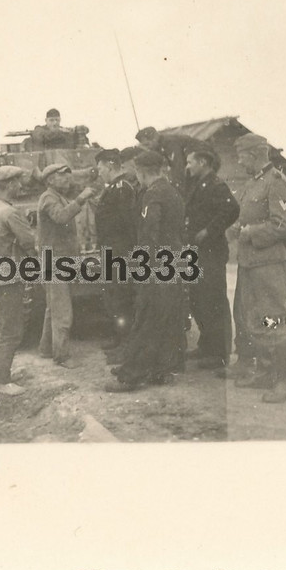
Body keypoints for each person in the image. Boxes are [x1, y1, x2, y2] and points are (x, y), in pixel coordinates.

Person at [106, 151, 186, 392]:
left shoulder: (153, 195)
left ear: (142, 171)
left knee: (146, 319)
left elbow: (150, 233)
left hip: (156, 265)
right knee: (167, 318)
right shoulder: (172, 191)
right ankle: (160, 370)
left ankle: (132, 375)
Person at [230, 133, 286, 402]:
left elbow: (285, 224)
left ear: (256, 154)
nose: (238, 160)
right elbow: (250, 216)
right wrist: (238, 227)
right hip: (251, 263)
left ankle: (285, 382)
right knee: (254, 319)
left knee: (273, 320)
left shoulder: (276, 183)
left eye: (242, 155)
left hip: (269, 265)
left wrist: (250, 233)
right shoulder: (254, 183)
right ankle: (267, 372)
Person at [184, 149, 240, 370]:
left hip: (211, 252)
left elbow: (232, 209)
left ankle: (219, 353)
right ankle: (206, 345)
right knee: (199, 300)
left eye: (190, 162)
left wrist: (209, 231)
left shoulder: (216, 184)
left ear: (203, 162)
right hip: (198, 252)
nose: (187, 167)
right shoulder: (199, 183)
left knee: (213, 301)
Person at [0, 165, 37, 396]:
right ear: (10, 185)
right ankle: (2, 381)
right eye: (17, 182)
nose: (21, 185)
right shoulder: (10, 212)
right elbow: (29, 242)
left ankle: (0, 375)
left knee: (5, 327)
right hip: (9, 277)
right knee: (11, 330)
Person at [36, 163, 96, 368]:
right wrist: (81, 199)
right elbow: (61, 217)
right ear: (50, 180)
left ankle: (46, 349)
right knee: (62, 310)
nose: (67, 179)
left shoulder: (56, 196)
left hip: (59, 259)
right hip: (55, 261)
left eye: (68, 175)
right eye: (62, 176)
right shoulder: (48, 198)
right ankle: (61, 356)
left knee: (53, 307)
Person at [93, 148, 138, 355]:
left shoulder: (122, 188)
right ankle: (120, 337)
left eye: (100, 167)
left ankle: (126, 342)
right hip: (111, 251)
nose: (99, 171)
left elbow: (128, 223)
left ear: (110, 165)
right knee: (113, 296)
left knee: (122, 298)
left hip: (120, 252)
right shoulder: (113, 187)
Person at [135, 127, 201, 191]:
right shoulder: (158, 147)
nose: (148, 148)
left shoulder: (169, 143)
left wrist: (178, 190)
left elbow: (178, 166)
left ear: (155, 138)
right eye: (144, 145)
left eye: (147, 144)